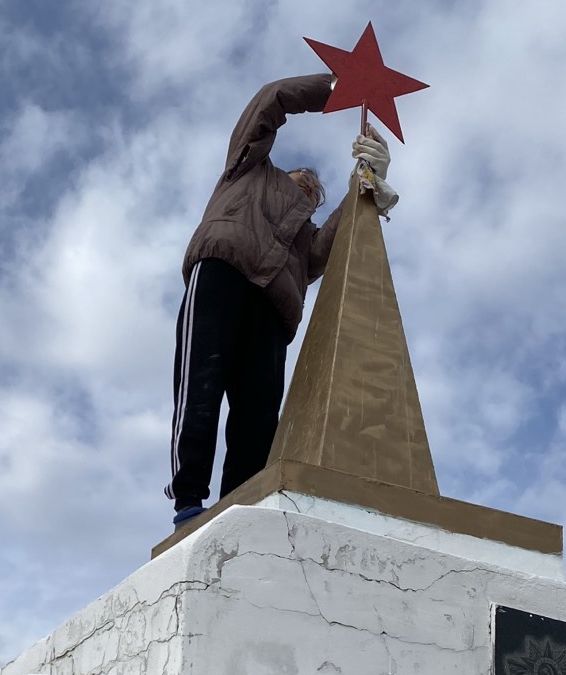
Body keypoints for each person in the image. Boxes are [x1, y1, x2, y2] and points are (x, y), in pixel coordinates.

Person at [165, 74, 399, 525]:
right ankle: (188, 497)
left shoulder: (307, 239)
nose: (309, 186)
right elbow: (268, 102)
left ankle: (240, 506)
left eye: (317, 191)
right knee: (201, 382)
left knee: (258, 417)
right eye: (301, 180)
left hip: (274, 311)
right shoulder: (247, 169)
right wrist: (337, 87)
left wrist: (367, 183)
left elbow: (340, 241)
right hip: (223, 272)